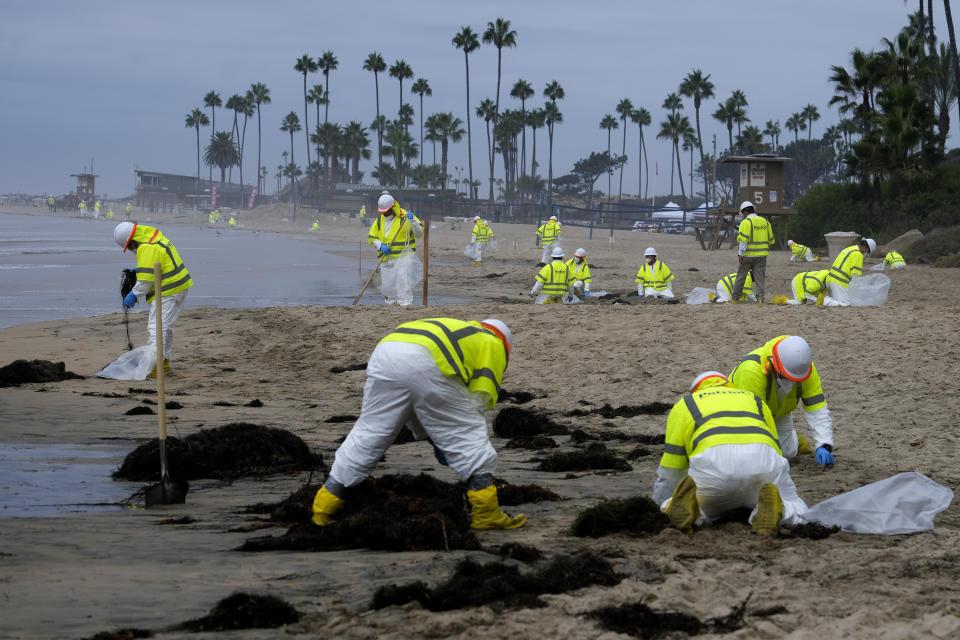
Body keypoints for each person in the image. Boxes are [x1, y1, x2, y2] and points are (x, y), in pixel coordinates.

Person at [311, 317, 525, 531]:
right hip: (425, 359)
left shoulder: (462, 329)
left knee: (369, 433)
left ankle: (323, 507)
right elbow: (479, 400)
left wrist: (436, 437)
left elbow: (421, 406)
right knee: (469, 433)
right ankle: (486, 514)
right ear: (506, 343)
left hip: (385, 351)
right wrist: (456, 441)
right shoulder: (493, 342)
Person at [651, 371, 807, 534]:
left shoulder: (687, 404)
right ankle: (779, 510)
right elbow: (776, 450)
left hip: (714, 467)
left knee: (695, 508)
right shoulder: (755, 400)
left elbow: (671, 469)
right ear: (727, 384)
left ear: (696, 390)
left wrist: (660, 505)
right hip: (763, 467)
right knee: (796, 505)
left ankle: (694, 511)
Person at [728, 335, 835, 466]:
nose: (791, 382)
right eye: (786, 376)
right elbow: (754, 420)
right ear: (774, 363)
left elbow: (817, 408)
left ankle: (794, 440)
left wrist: (824, 444)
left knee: (786, 452)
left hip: (778, 411)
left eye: (795, 379)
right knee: (754, 455)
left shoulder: (804, 369)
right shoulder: (752, 372)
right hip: (740, 414)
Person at [113, 222, 193, 377]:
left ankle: (155, 367)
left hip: (168, 292)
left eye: (129, 247)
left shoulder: (146, 247)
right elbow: (158, 263)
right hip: (180, 287)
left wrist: (133, 295)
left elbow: (144, 283)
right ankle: (164, 362)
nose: (131, 250)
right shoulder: (153, 237)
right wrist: (142, 269)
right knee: (166, 327)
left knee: (156, 329)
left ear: (132, 241)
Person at [368, 193, 424, 306]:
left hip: (403, 258)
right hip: (386, 258)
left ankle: (405, 305)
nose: (385, 214)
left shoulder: (405, 217)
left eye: (387, 211)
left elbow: (419, 234)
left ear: (393, 207)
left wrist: (413, 221)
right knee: (388, 286)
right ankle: (390, 304)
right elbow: (372, 238)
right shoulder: (380, 220)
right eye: (383, 212)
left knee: (403, 284)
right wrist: (380, 245)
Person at [731, 201, 774, 304]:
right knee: (760, 278)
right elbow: (771, 240)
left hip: (747, 255)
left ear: (745, 212)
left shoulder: (746, 222)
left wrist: (740, 253)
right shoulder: (765, 221)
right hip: (762, 256)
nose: (743, 216)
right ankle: (760, 299)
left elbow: (743, 240)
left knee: (741, 277)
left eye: (743, 214)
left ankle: (735, 299)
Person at [823, 237, 876, 306]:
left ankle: (828, 298)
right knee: (847, 303)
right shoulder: (858, 254)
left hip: (830, 280)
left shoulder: (850, 249)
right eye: (867, 251)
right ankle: (824, 300)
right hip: (839, 283)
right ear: (865, 247)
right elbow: (855, 276)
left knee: (839, 299)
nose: (865, 253)